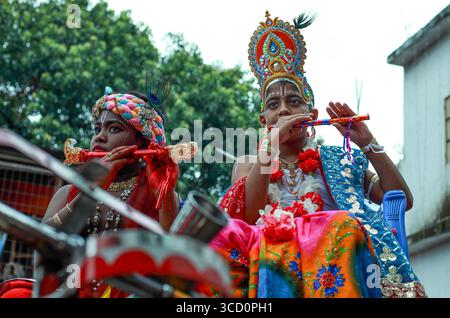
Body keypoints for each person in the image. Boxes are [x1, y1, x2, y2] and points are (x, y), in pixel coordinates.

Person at [209, 11, 426, 298]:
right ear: (264, 119)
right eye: (273, 104)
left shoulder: (339, 161)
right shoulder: (249, 164)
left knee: (339, 225)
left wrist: (368, 143)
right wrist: (270, 147)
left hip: (333, 261)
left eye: (294, 101)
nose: (284, 110)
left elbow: (400, 199)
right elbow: (249, 216)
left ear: (311, 115)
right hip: (270, 264)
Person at [0, 85, 180, 298]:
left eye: (114, 129)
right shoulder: (69, 192)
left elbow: (176, 259)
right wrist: (90, 193)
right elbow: (41, 257)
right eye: (97, 129)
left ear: (143, 141)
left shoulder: (159, 194)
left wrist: (165, 193)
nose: (99, 138)